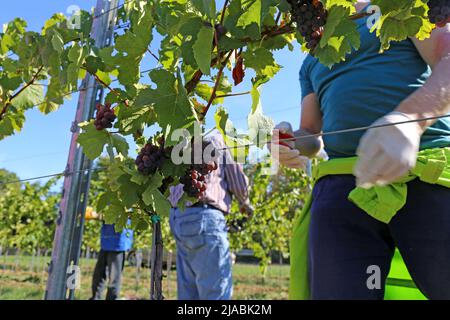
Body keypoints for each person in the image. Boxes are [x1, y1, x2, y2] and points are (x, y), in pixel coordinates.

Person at [271, 0, 450, 299]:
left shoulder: (399, 8)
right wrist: (289, 142)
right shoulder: (313, 54)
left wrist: (410, 120)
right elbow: (313, 134)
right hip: (345, 185)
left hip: (425, 170)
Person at [168, 130, 252, 300]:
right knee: (215, 293)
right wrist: (245, 203)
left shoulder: (178, 141)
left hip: (178, 217)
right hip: (205, 218)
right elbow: (239, 183)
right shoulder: (219, 139)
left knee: (188, 294)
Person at [91, 219, 134, 300]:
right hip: (106, 241)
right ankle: (95, 298)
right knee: (98, 275)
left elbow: (120, 215)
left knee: (114, 279)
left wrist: (100, 215)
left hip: (118, 243)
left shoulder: (127, 206)